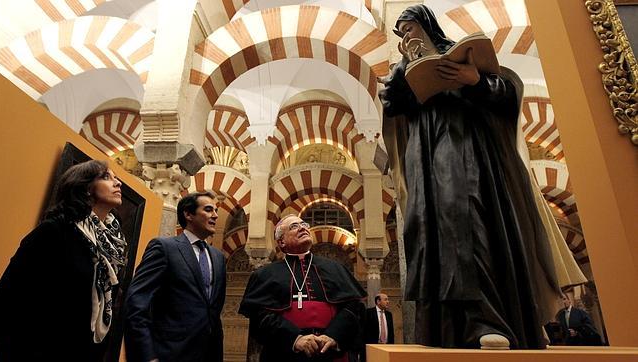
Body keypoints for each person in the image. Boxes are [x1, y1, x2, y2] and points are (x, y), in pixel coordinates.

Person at [380, 4, 560, 349]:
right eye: (401, 32)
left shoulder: (458, 55)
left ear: (427, 25)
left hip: (463, 147)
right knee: (427, 230)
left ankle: (487, 320)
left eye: (410, 28)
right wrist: (405, 68)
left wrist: (473, 80)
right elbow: (392, 103)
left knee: (468, 220)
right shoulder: (403, 67)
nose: (406, 36)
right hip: (424, 155)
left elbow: (506, 94)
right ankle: (441, 329)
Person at [0, 160, 126, 361]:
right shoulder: (55, 230)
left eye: (116, 178)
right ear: (86, 187)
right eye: (106, 177)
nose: (118, 183)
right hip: (37, 349)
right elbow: (9, 291)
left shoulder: (113, 246)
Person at [239, 214, 366, 362]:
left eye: (304, 225)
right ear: (281, 241)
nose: (302, 228)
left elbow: (353, 307)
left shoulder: (335, 268)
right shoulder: (265, 275)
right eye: (294, 226)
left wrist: (333, 335)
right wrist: (295, 338)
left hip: (330, 352)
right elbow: (259, 316)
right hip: (285, 352)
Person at [124, 191, 227, 362]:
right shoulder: (164, 248)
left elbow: (213, 312)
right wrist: (147, 355)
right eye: (208, 210)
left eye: (215, 210)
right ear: (188, 214)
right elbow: (137, 303)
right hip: (168, 353)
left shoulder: (218, 257)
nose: (215, 215)